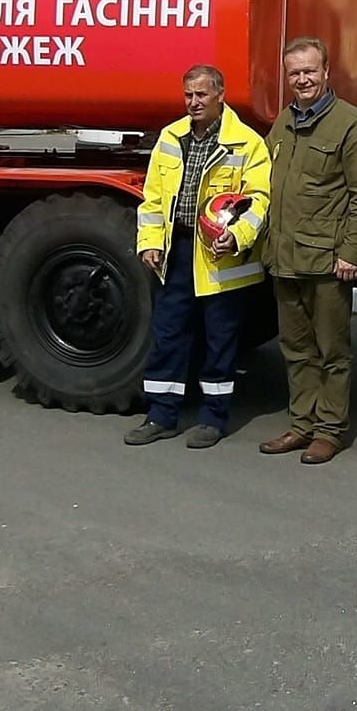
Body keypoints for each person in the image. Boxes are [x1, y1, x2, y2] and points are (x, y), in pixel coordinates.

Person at [128, 64, 272, 449]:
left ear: (220, 95)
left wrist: (237, 236)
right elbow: (154, 198)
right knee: (169, 333)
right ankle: (161, 415)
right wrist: (150, 242)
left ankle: (213, 418)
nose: (194, 102)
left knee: (219, 339)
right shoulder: (171, 138)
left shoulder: (247, 143)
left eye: (202, 95)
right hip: (177, 249)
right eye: (189, 95)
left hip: (221, 256)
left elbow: (260, 201)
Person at [256, 36, 357, 465]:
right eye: (294, 73)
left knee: (332, 352)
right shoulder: (283, 123)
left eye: (309, 71)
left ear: (326, 73)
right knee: (296, 349)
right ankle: (301, 425)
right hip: (285, 259)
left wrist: (351, 252)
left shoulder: (350, 124)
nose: (302, 79)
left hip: (327, 261)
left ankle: (329, 430)